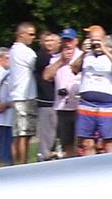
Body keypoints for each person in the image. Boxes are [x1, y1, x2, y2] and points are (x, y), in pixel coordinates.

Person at [71, 27, 112, 156]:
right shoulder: (86, 56)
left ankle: (110, 167)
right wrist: (83, 53)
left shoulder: (111, 55)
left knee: (108, 141)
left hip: (106, 105)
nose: (95, 43)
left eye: (98, 40)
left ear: (104, 40)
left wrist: (104, 49)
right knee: (87, 142)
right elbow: (74, 68)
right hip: (86, 104)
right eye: (93, 40)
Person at [44, 29, 84, 157]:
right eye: (65, 40)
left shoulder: (82, 56)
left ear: (76, 41)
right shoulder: (55, 58)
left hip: (80, 105)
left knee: (83, 141)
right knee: (67, 142)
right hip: (62, 106)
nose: (68, 44)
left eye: (70, 40)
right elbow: (46, 76)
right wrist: (61, 61)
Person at [6, 22, 38, 165]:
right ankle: (21, 166)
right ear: (21, 34)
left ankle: (17, 164)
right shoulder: (24, 51)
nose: (33, 37)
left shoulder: (13, 50)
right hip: (24, 97)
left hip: (20, 96)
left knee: (20, 134)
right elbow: (38, 65)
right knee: (23, 134)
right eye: (30, 34)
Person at [31, 28, 63, 161]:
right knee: (46, 137)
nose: (49, 43)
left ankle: (55, 156)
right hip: (46, 102)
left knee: (57, 135)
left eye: (52, 41)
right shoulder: (42, 57)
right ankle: (44, 160)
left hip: (60, 103)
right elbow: (46, 74)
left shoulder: (58, 56)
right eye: (46, 41)